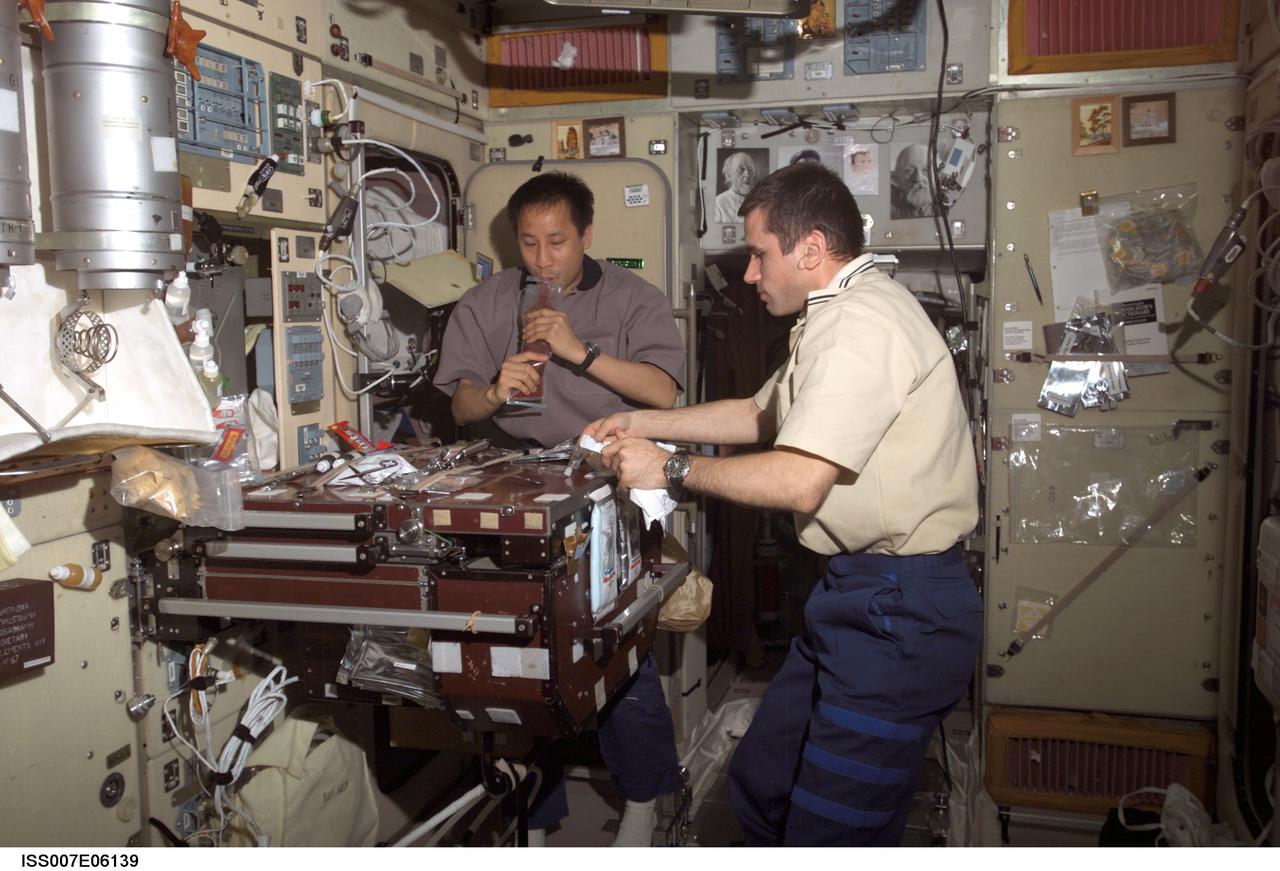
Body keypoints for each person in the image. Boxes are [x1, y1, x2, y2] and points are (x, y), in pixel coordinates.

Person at [585, 163, 982, 846]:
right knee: (764, 782)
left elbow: (799, 481)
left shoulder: (859, 324)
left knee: (830, 833)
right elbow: (758, 413)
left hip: (900, 608)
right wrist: (644, 422)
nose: (748, 273)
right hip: (855, 595)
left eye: (758, 254)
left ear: (811, 248)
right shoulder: (835, 314)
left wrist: (669, 469)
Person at [432, 171, 685, 847]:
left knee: (615, 650)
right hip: (519, 493)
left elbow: (663, 391)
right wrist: (491, 393)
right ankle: (533, 817)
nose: (543, 259)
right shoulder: (487, 303)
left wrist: (581, 351)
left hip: (610, 491)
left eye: (558, 242)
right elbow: (459, 405)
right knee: (511, 651)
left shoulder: (634, 299)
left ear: (587, 237)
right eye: (530, 242)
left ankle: (642, 800)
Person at [889, 143, 934, 219]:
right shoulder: (891, 209)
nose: (918, 178)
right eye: (909, 171)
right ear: (896, 179)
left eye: (926, 170)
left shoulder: (944, 206)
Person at [714, 151, 761, 223]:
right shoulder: (718, 204)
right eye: (741, 169)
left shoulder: (761, 203)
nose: (747, 175)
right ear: (729, 175)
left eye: (750, 169)